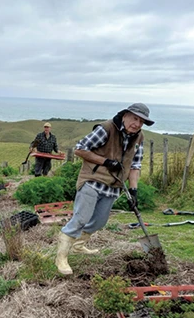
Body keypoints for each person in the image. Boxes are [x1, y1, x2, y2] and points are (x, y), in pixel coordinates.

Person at [55, 103, 154, 275]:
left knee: (100, 221)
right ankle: (61, 258)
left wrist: (133, 190)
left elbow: (135, 165)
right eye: (135, 118)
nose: (137, 124)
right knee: (81, 218)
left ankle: (78, 245)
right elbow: (80, 149)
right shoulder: (107, 129)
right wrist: (105, 161)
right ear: (125, 115)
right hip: (92, 180)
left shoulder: (139, 137)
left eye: (142, 121)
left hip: (113, 185)